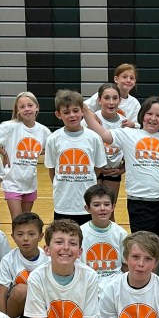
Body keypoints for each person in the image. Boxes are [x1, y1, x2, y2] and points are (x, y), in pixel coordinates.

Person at [84, 97, 159, 247]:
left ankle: (155, 271)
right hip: (138, 201)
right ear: (142, 115)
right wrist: (84, 110)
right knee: (142, 246)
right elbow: (103, 133)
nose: (153, 119)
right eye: (149, 114)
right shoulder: (128, 134)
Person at [44, 88, 107, 225]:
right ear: (58, 114)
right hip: (63, 204)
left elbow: (98, 168)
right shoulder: (53, 139)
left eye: (75, 110)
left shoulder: (94, 138)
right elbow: (52, 170)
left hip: (86, 204)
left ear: (83, 111)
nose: (72, 115)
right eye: (66, 112)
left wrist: (87, 180)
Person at [0, 91, 51, 224]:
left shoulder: (43, 131)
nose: (26, 109)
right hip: (12, 182)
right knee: (17, 222)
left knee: (26, 223)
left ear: (37, 107)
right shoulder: (10, 126)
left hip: (30, 183)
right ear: (17, 111)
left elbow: (51, 148)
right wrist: (4, 153)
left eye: (30, 105)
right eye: (22, 107)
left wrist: (38, 153)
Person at [0, 212, 47, 318]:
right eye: (20, 234)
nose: (25, 239)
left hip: (41, 307)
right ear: (13, 237)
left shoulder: (48, 259)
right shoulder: (8, 259)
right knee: (21, 289)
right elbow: (2, 293)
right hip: (16, 308)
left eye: (31, 234)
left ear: (40, 236)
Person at [92, 82, 129, 210]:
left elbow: (131, 148)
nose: (111, 102)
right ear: (99, 100)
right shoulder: (92, 120)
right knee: (91, 210)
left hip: (113, 172)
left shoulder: (125, 122)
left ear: (120, 100)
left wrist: (123, 168)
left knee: (109, 211)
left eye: (115, 98)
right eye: (107, 98)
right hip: (93, 171)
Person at [80, 184, 128, 282]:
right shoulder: (80, 233)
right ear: (87, 208)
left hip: (115, 286)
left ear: (113, 207)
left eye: (106, 204)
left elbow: (126, 265)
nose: (102, 208)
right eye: (96, 205)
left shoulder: (121, 233)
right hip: (89, 284)